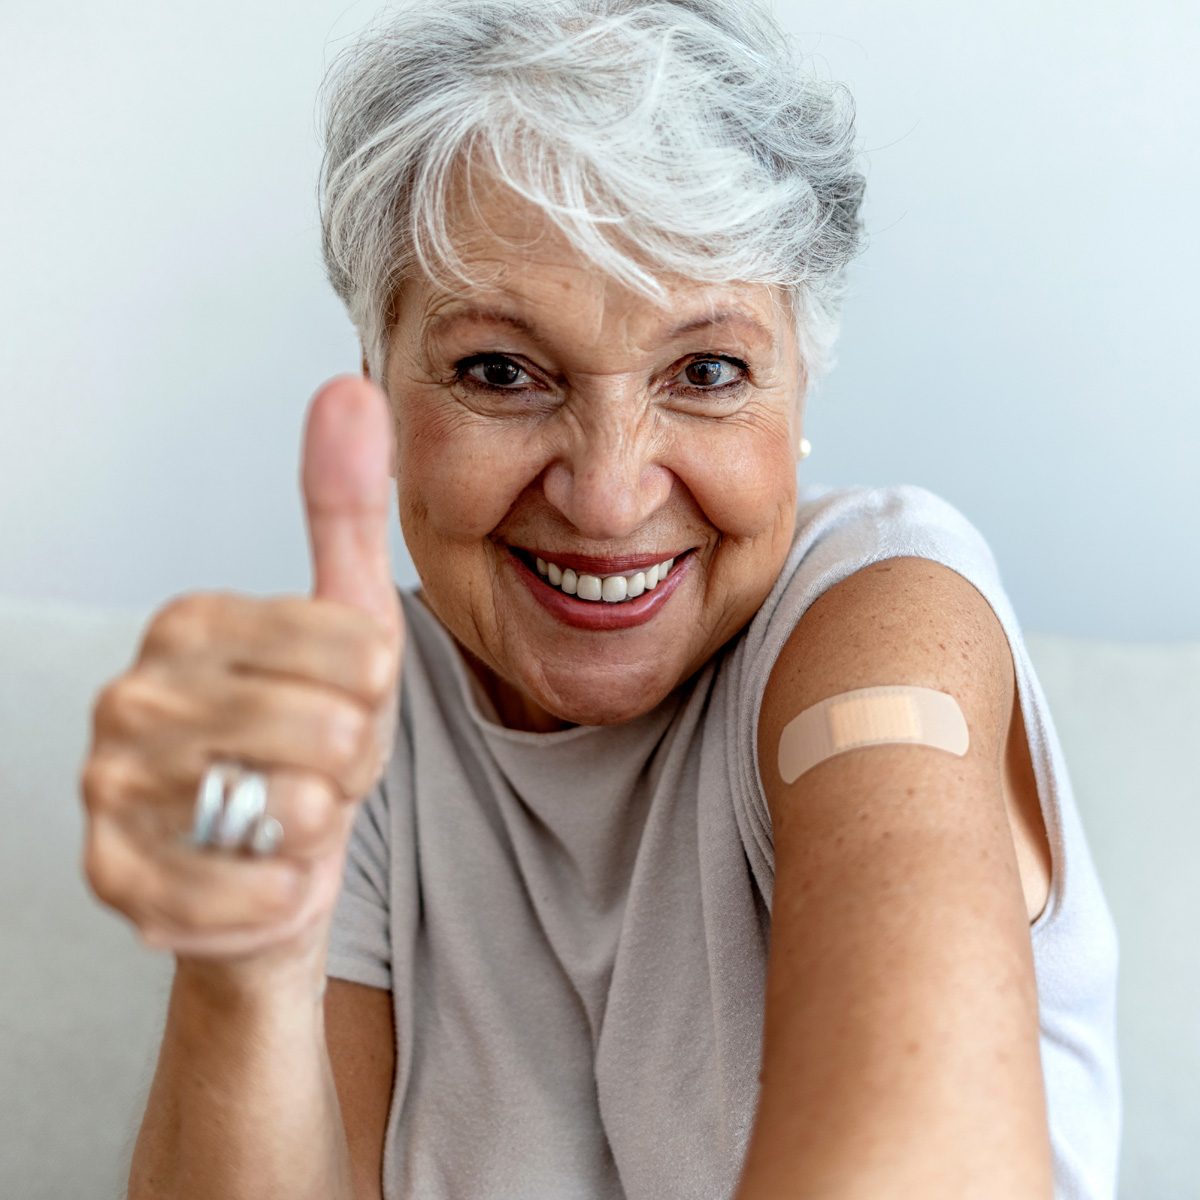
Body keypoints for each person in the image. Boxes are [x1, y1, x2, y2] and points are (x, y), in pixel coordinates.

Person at [79, 1, 1120, 1197]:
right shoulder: (351, 723)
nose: (611, 496)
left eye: (708, 371)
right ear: (378, 381)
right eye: (501, 372)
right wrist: (244, 968)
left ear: (801, 381)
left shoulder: (876, 623)